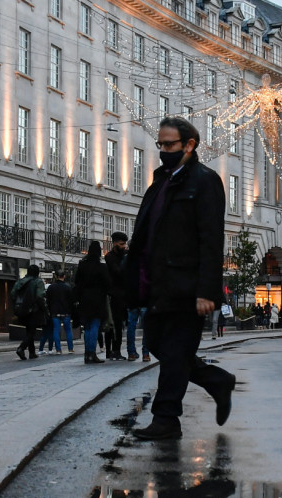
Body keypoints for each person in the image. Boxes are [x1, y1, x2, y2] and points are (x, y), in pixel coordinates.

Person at [124, 116, 236, 439]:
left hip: (188, 288)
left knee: (174, 352)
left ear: (190, 145)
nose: (163, 150)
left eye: (169, 144)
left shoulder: (205, 182)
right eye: (160, 144)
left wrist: (207, 291)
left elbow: (211, 241)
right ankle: (216, 381)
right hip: (160, 286)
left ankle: (166, 419)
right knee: (160, 345)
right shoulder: (160, 183)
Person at [75, 240, 110, 364]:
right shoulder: (102, 267)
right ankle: (92, 353)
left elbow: (77, 283)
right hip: (98, 299)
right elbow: (107, 284)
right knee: (95, 326)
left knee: (87, 327)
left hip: (84, 299)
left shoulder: (82, 266)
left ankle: (86, 354)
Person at [10, 264, 48, 360]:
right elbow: (40, 297)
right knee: (32, 332)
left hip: (22, 309)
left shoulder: (20, 281)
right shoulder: (38, 282)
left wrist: (18, 304)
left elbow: (13, 294)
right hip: (33, 310)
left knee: (29, 330)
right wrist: (45, 309)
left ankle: (32, 352)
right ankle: (21, 348)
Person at [104, 231, 130, 360]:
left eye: (125, 244)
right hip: (114, 295)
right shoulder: (110, 257)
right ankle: (112, 350)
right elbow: (118, 272)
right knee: (113, 324)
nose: (124, 246)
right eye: (121, 244)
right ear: (114, 243)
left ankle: (115, 350)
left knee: (120, 324)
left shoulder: (125, 254)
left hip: (123, 294)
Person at [45, 270, 75, 354]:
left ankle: (58, 349)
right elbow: (71, 300)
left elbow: (48, 300)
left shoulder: (51, 287)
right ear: (64, 276)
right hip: (66, 312)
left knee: (56, 330)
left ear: (56, 276)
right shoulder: (67, 287)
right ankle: (70, 348)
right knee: (68, 330)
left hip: (54, 312)